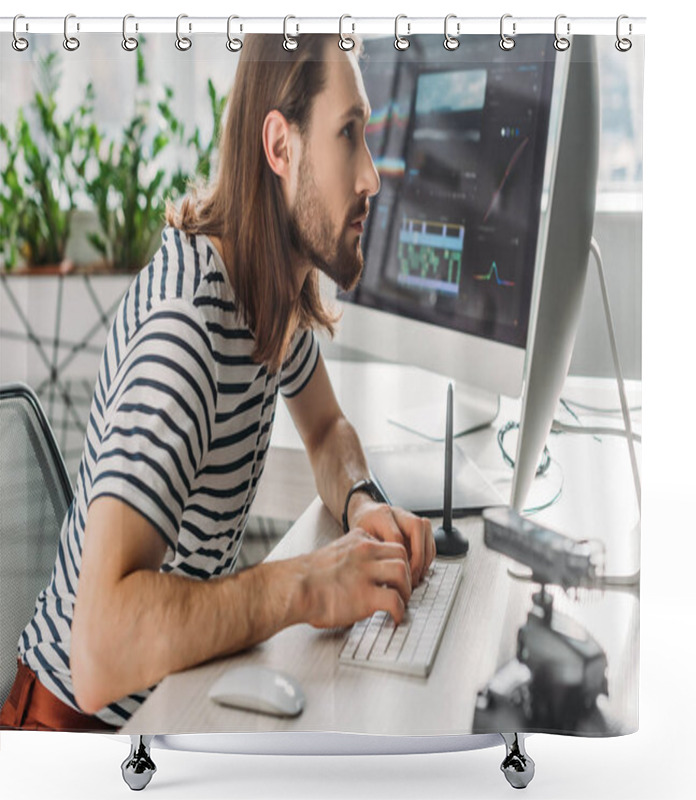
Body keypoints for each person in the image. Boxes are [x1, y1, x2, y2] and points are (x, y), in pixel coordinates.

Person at [0, 33, 435, 733]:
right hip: (75, 736)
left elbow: (326, 430)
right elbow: (99, 651)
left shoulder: (266, 288)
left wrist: (360, 500)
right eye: (348, 135)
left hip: (176, 703)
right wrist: (302, 584)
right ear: (280, 146)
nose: (370, 178)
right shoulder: (185, 334)